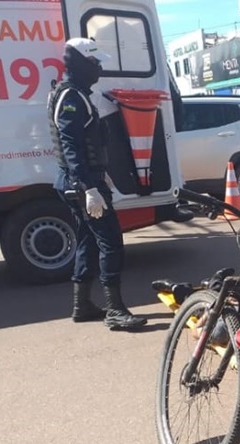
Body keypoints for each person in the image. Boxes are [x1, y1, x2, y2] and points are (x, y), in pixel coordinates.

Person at [49, 37, 146, 331]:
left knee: (88, 241)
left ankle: (82, 305)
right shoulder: (71, 98)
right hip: (81, 184)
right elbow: (71, 146)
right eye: (95, 63)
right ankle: (115, 309)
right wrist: (89, 187)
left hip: (80, 180)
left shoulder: (74, 94)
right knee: (111, 242)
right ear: (80, 63)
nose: (100, 68)